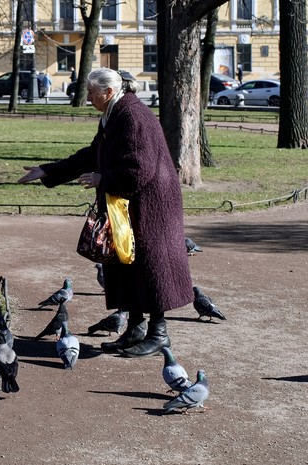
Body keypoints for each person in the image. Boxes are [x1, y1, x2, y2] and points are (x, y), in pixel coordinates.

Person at [18, 68, 193, 358]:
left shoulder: (133, 117)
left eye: (91, 92)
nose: (87, 97)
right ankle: (135, 328)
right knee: (127, 262)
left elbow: (139, 169)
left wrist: (104, 179)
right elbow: (93, 154)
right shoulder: (115, 113)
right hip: (128, 202)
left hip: (150, 204)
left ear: (108, 92)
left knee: (150, 267)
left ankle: (159, 333)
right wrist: (48, 170)